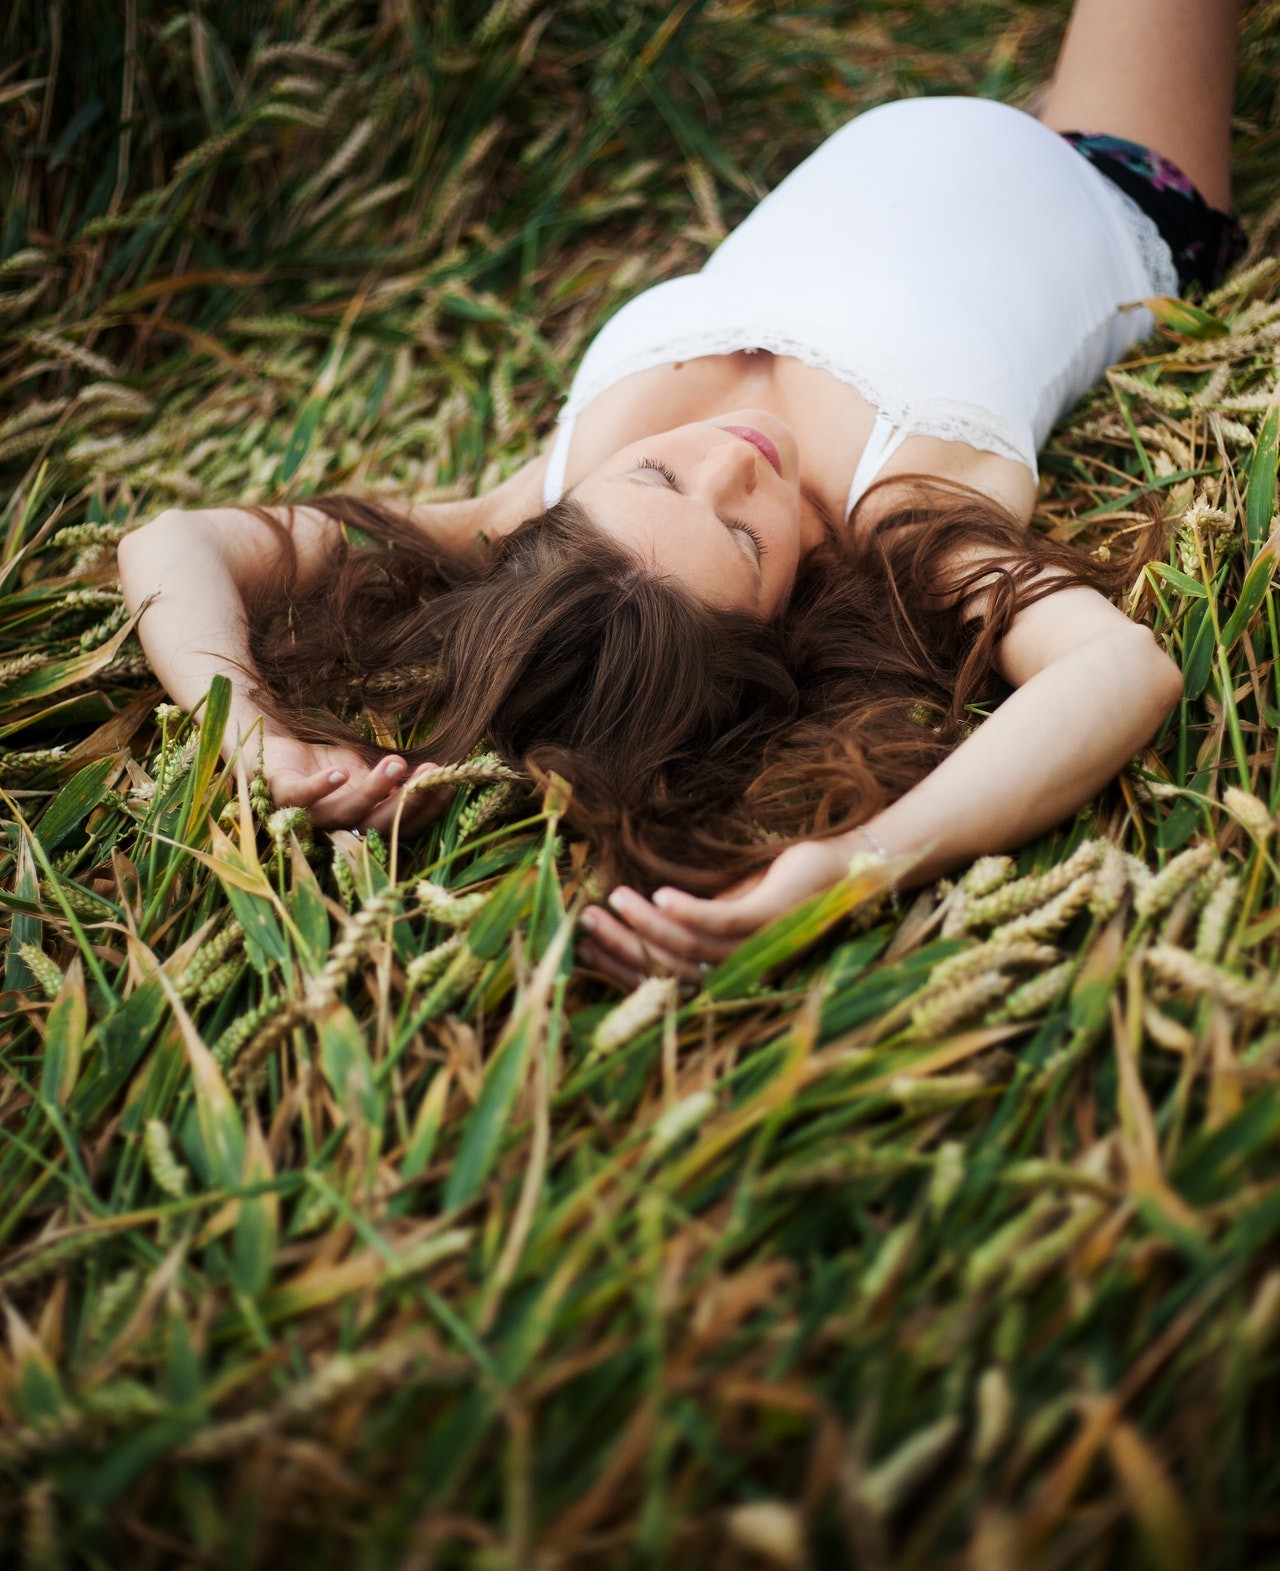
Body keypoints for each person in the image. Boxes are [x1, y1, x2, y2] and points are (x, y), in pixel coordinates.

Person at [119, 0, 1247, 990]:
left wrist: (249, 730)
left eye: (656, 473)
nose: (731, 456)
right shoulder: (895, 501)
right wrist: (861, 859)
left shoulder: (541, 499)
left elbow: (175, 540)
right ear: (781, 615)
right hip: (1110, 173)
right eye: (746, 537)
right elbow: (1117, 669)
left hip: (988, 138)